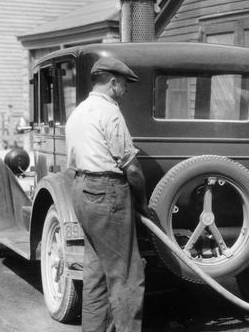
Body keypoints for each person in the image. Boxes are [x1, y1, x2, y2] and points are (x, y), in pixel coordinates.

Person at [66, 56, 148, 332]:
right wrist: (142, 201)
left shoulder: (78, 112)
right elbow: (132, 169)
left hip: (81, 191)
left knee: (97, 274)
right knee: (126, 276)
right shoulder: (110, 112)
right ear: (113, 83)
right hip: (108, 193)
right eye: (124, 85)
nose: (125, 91)